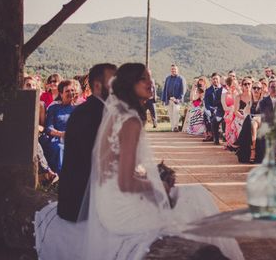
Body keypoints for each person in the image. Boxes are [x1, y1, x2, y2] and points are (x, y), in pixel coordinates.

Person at [35, 63, 243, 260]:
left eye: (150, 78)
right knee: (197, 196)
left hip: (106, 198)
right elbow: (125, 182)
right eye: (143, 79)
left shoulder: (117, 115)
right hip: (117, 207)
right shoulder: (129, 120)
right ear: (129, 85)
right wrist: (158, 185)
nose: (150, 83)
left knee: (191, 197)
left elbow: (112, 167)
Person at [58, 63, 117, 222]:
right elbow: (97, 163)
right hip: (80, 203)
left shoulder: (94, 109)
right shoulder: (93, 114)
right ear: (98, 86)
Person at [42, 80, 77, 173]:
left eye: (72, 90)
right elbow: (48, 128)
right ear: (61, 94)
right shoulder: (54, 108)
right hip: (56, 138)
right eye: (67, 91)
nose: (71, 93)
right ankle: (61, 176)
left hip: (74, 139)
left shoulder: (78, 109)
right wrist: (62, 134)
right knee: (60, 148)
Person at [161, 64, 187, 132]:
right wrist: (163, 100)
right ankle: (173, 128)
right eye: (172, 69)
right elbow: (165, 89)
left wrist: (178, 99)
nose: (173, 70)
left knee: (176, 113)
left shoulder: (181, 78)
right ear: (170, 70)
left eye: (175, 69)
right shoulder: (168, 78)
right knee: (171, 115)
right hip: (169, 100)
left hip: (177, 100)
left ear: (177, 70)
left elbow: (183, 90)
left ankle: (176, 127)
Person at [203, 73, 224, 144]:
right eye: (213, 79)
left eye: (216, 79)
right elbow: (206, 104)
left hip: (223, 109)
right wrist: (213, 109)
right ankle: (214, 137)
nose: (215, 80)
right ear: (211, 80)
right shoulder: (208, 90)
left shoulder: (224, 89)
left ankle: (221, 137)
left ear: (219, 80)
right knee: (208, 115)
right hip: (212, 110)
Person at [222, 76, 240, 150]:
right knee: (230, 117)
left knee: (235, 116)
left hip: (236, 113)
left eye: (234, 85)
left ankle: (236, 142)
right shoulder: (224, 95)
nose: (233, 87)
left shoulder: (238, 94)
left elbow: (240, 106)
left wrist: (233, 109)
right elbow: (225, 107)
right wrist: (232, 109)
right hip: (228, 113)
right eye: (232, 85)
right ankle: (230, 142)